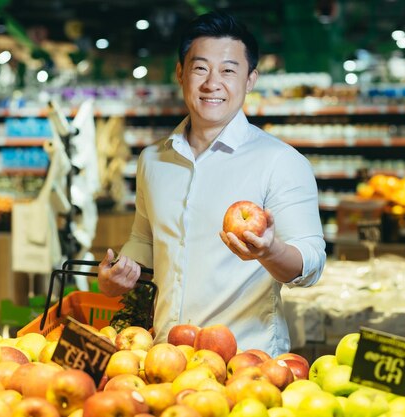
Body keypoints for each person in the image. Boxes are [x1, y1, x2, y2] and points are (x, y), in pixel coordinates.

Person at [97, 11, 326, 356]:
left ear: (250, 80)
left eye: (229, 71)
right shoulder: (153, 160)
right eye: (200, 68)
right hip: (166, 356)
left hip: (247, 363)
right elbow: (144, 240)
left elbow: (311, 263)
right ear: (180, 73)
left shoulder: (281, 162)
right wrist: (115, 277)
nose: (212, 83)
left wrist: (269, 251)